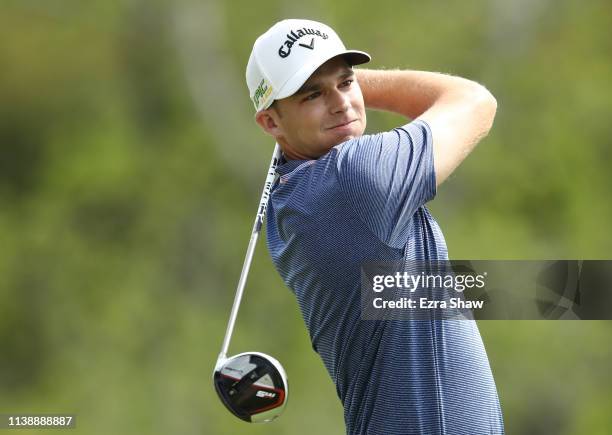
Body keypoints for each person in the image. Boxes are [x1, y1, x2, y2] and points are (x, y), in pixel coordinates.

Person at [246, 18, 504, 434]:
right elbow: (474, 101)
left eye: (346, 84)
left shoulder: (294, 202)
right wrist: (360, 81)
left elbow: (423, 294)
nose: (342, 103)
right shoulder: (353, 180)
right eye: (313, 94)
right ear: (271, 123)